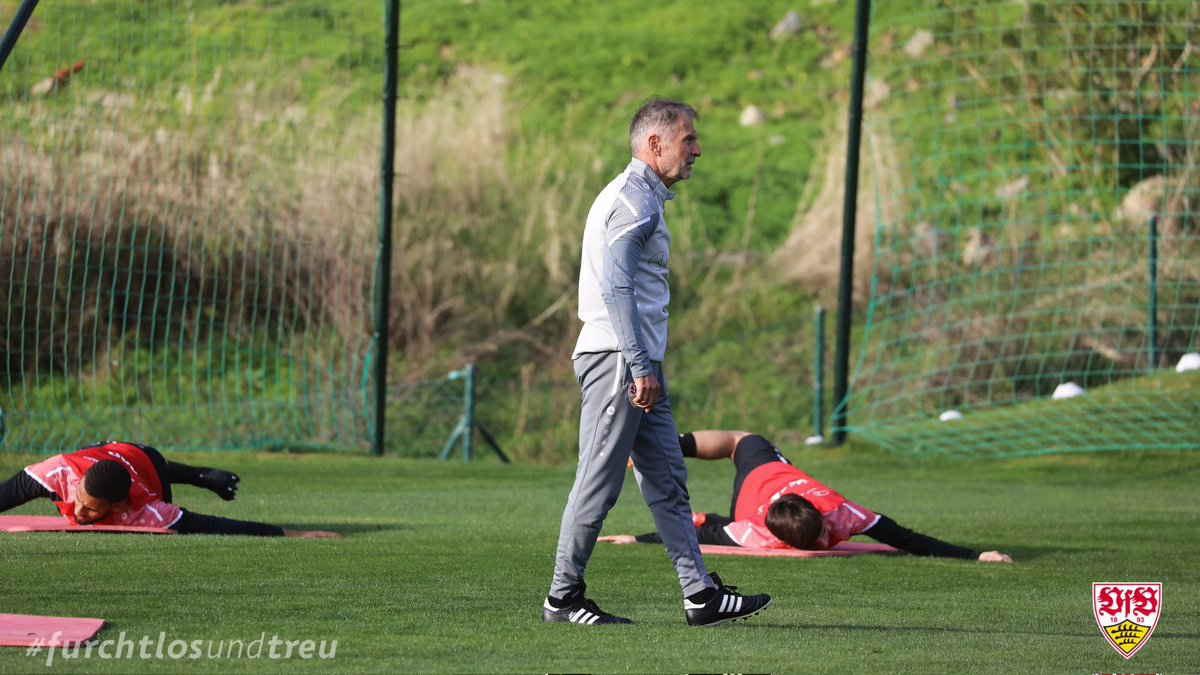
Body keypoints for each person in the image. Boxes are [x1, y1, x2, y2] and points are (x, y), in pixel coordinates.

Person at [544, 98, 772, 628]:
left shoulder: (643, 198)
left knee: (669, 480)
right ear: (655, 145)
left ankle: (701, 595)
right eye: (688, 139)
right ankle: (562, 598)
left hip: (638, 363)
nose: (696, 149)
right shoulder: (634, 202)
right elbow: (617, 285)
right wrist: (640, 366)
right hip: (620, 363)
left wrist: (647, 366)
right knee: (597, 485)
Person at [600, 431, 1013, 563]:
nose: (824, 543)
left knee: (748, 438)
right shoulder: (753, 531)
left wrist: (973, 555)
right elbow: (698, 526)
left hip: (775, 471)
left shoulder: (840, 512)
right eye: (816, 543)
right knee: (734, 445)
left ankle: (672, 444)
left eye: (820, 536)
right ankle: (662, 447)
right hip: (751, 489)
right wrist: (636, 538)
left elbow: (905, 537)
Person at [0, 440, 340, 538]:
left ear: (118, 507)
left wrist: (293, 534)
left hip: (146, 460)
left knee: (152, 465)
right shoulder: (57, 473)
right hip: (106, 449)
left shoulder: (147, 511)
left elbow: (212, 525)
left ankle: (204, 476)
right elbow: (5, 494)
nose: (77, 512)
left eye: (90, 509)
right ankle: (206, 476)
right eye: (80, 501)